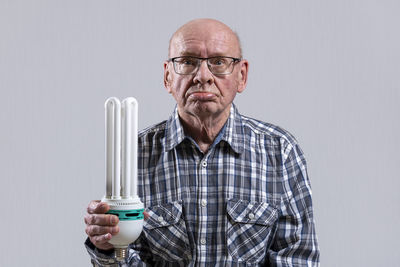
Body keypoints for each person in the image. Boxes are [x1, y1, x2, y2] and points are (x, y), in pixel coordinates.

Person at [84, 18, 320, 266]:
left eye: (218, 62)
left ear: (242, 75)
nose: (203, 76)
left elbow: (296, 259)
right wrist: (108, 247)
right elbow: (125, 258)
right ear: (167, 76)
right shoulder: (136, 154)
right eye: (187, 62)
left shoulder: (280, 152)